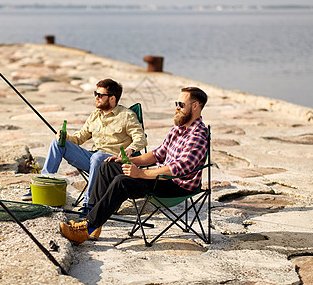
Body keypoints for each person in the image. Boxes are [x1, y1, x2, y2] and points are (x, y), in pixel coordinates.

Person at [59, 87, 208, 244]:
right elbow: (157, 154)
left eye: (181, 104)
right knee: (107, 166)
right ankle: (92, 222)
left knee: (122, 182)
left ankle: (85, 228)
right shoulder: (179, 129)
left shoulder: (197, 135)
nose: (177, 107)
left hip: (177, 185)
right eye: (176, 103)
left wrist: (140, 174)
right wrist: (128, 161)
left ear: (195, 106)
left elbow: (177, 169)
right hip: (161, 177)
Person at [23, 78, 147, 213]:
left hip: (113, 163)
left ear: (112, 99)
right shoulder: (95, 115)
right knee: (58, 143)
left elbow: (140, 138)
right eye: (95, 94)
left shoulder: (127, 116)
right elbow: (80, 137)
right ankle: (41, 183)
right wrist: (66, 137)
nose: (96, 98)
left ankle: (90, 203)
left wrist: (130, 149)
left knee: (97, 157)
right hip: (94, 158)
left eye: (100, 95)